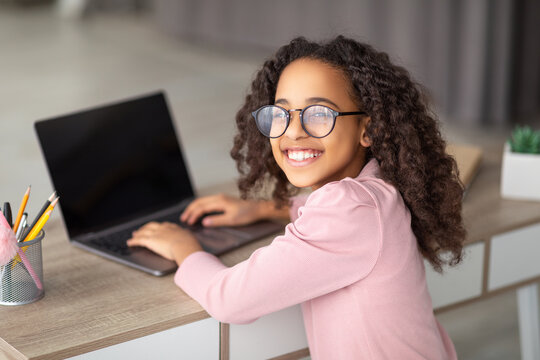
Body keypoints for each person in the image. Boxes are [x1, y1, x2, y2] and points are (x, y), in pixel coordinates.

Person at [127, 35, 466, 359]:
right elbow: (335, 220)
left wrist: (182, 248)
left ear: (369, 129)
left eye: (319, 113)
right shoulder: (379, 188)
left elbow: (229, 301)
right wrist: (263, 208)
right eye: (281, 113)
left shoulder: (351, 210)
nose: (293, 131)